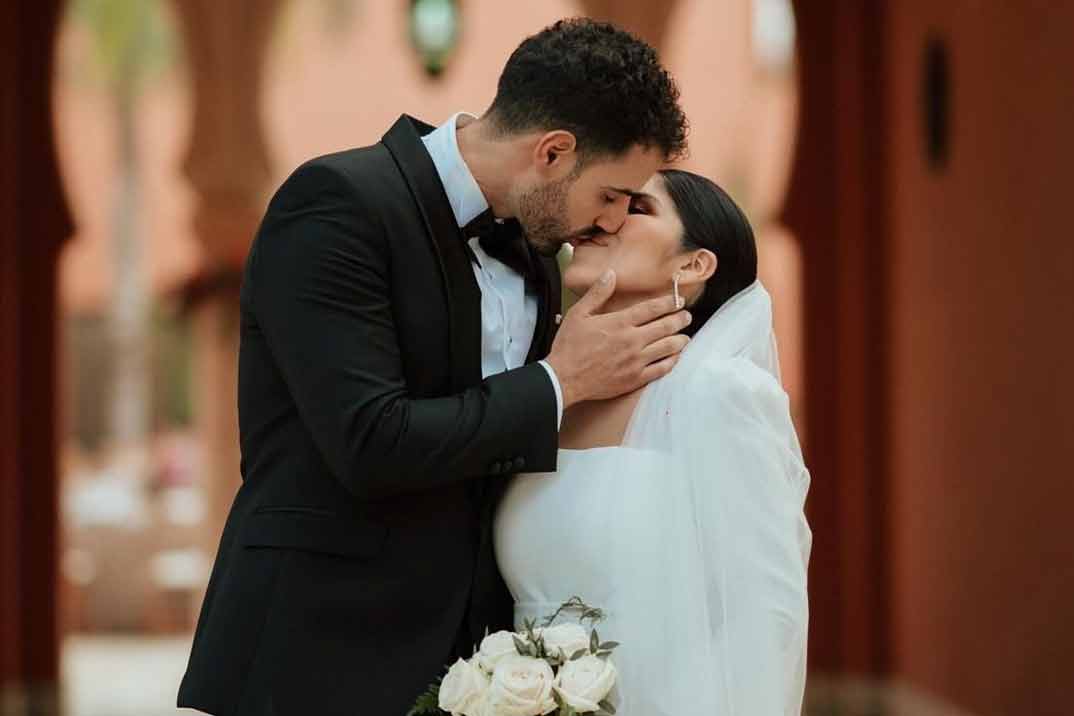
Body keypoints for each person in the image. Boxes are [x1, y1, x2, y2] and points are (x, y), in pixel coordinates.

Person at [177, 19, 690, 716]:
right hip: (313, 657)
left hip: (473, 667)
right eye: (610, 195)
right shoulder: (335, 205)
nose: (610, 224)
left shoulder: (537, 256)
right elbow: (369, 442)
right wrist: (560, 383)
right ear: (552, 153)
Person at [495, 169, 812, 715]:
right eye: (607, 202)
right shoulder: (545, 392)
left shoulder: (719, 393)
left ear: (694, 264)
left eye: (635, 208)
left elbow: (763, 617)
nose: (601, 221)